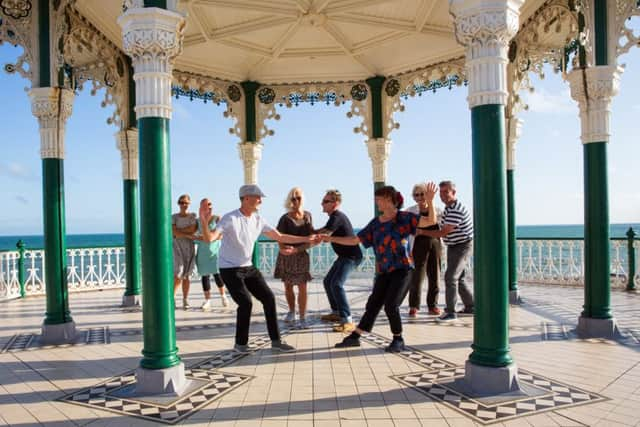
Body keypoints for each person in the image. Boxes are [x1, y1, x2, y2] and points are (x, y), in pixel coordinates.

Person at [203, 184, 319, 353]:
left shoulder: (258, 219)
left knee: (269, 298)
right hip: (229, 269)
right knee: (246, 303)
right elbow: (210, 238)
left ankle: (276, 341)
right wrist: (205, 221)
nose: (260, 200)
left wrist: (306, 238)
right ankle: (240, 344)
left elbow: (280, 236)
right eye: (258, 197)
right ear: (246, 198)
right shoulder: (230, 218)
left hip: (248, 267)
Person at [326, 185, 437, 352]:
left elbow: (431, 221)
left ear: (389, 200)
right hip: (384, 271)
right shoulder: (376, 223)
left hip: (403, 269)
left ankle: (398, 339)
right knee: (373, 304)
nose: (376, 202)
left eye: (379, 199)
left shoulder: (405, 218)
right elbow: (356, 240)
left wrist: (430, 201)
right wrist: (331, 239)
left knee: (391, 305)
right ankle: (355, 336)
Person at [417, 180, 474, 322]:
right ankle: (471, 306)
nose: (442, 195)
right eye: (441, 192)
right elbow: (437, 225)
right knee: (458, 278)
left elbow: (443, 232)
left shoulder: (456, 209)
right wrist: (428, 202)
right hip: (454, 245)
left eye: (446, 192)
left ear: (453, 192)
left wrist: (422, 232)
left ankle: (450, 312)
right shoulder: (448, 208)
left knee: (450, 277)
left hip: (462, 245)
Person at [316, 189, 363, 333]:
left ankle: (347, 320)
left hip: (352, 256)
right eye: (323, 200)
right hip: (343, 256)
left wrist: (305, 235)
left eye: (325, 201)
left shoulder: (337, 216)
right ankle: (336, 312)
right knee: (328, 281)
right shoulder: (334, 217)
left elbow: (325, 234)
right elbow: (323, 231)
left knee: (336, 284)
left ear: (335, 203)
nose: (322, 203)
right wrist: (310, 232)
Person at [274, 187, 314, 328]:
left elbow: (311, 236)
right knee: (288, 286)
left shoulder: (308, 216)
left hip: (302, 255)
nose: (296, 201)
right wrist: (283, 250)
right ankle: (292, 311)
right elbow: (279, 237)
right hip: (287, 256)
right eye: (293, 198)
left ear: (302, 199)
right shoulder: (285, 218)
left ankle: (302, 317)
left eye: (298, 198)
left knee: (303, 287)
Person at [405, 182, 442, 317]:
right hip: (417, 246)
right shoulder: (410, 211)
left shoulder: (437, 210)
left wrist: (430, 202)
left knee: (434, 276)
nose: (420, 197)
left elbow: (439, 228)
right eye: (417, 194)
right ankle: (414, 305)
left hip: (435, 245)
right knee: (417, 277)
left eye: (422, 194)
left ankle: (433, 305)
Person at [194, 198, 229, 311]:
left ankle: (223, 296)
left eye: (209, 204)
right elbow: (194, 235)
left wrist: (210, 238)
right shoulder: (198, 221)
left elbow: (222, 234)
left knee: (217, 275)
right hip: (203, 251)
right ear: (200, 206)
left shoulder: (217, 218)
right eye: (204, 204)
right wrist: (204, 237)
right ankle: (207, 300)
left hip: (215, 251)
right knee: (205, 276)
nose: (207, 206)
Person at [172, 194, 197, 309]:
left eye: (186, 202)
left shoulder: (192, 216)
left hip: (189, 247)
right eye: (181, 202)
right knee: (178, 274)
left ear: (189, 203)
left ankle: (185, 299)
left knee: (187, 276)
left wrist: (179, 232)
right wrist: (186, 234)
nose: (184, 205)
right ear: (178, 204)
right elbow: (174, 232)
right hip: (177, 247)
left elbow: (193, 230)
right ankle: (171, 297)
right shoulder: (174, 217)